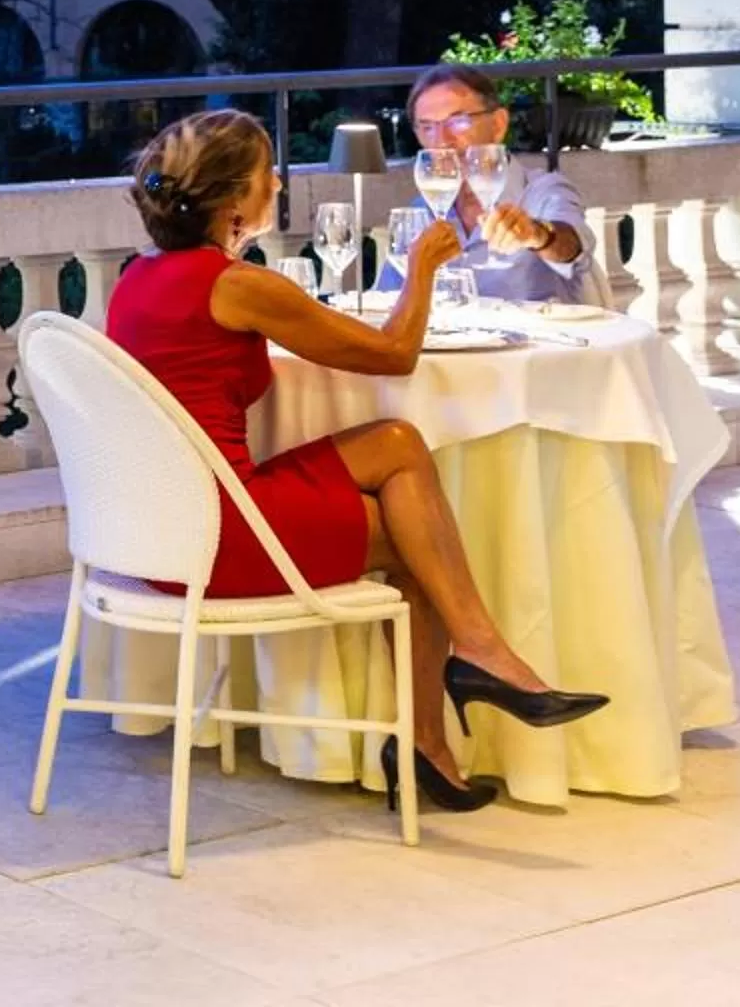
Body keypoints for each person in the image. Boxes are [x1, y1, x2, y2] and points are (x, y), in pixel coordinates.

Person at [108, 109, 608, 813]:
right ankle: (464, 686)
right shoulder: (239, 286)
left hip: (153, 533)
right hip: (219, 540)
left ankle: (455, 701)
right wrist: (426, 269)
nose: (278, 181)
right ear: (232, 201)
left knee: (398, 449)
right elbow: (396, 355)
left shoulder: (140, 276)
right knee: (416, 537)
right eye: (266, 172)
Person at [381, 63, 593, 303]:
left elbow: (574, 249)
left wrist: (537, 234)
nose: (441, 141)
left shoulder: (543, 191)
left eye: (457, 121)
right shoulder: (422, 212)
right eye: (428, 126)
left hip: (538, 339)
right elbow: (386, 300)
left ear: (498, 125)